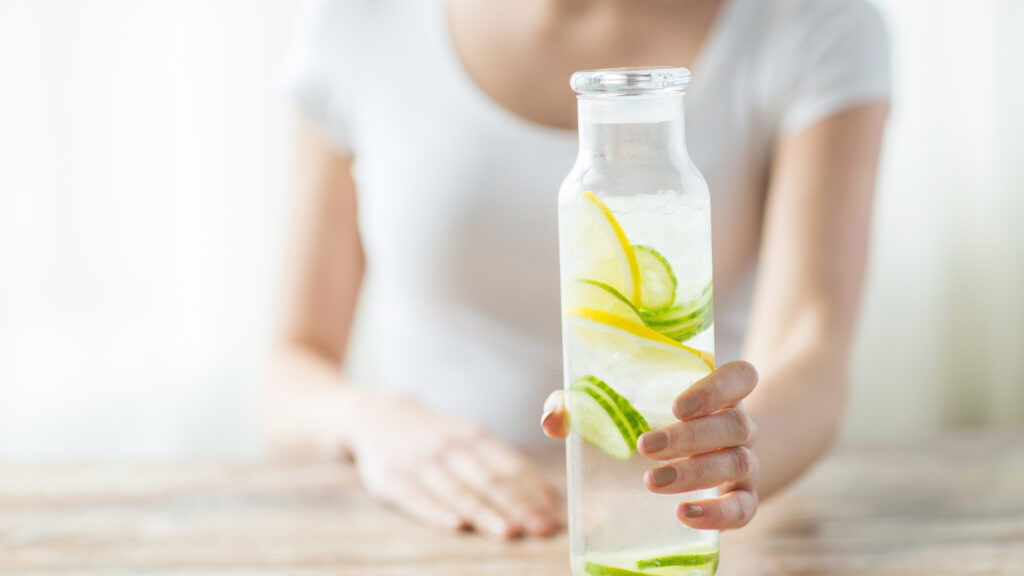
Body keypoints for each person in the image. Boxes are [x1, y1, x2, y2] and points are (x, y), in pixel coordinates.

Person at [263, 0, 890, 539]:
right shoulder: (360, 20)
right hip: (428, 527)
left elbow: (810, 351)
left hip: (672, 519)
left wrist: (735, 452)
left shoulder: (810, 22)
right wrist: (375, 424)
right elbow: (288, 368)